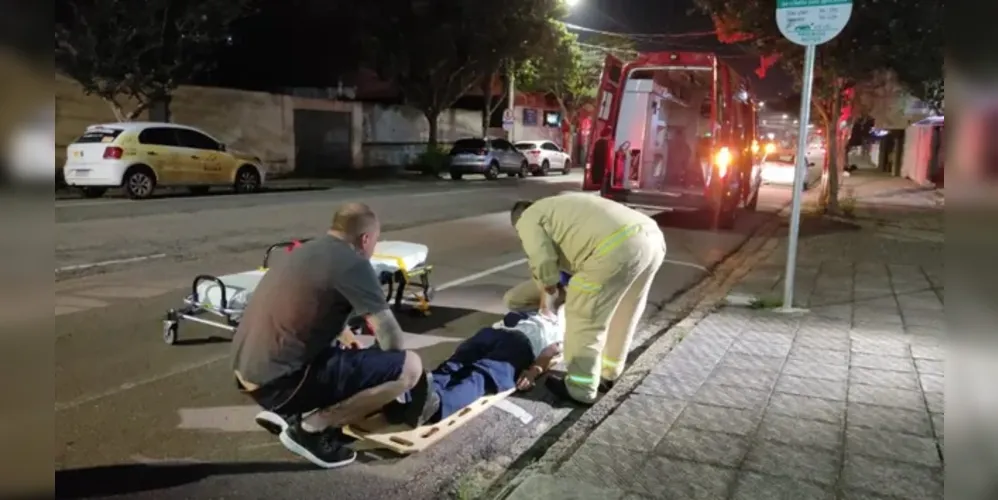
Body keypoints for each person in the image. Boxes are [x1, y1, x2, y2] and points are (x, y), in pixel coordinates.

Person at [230, 202, 434, 469]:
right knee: (409, 367)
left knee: (348, 348)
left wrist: (350, 343)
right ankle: (310, 429)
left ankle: (289, 411)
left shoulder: (304, 251)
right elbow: (392, 341)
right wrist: (376, 374)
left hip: (248, 373)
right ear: (365, 239)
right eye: (376, 240)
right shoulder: (354, 264)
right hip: (281, 385)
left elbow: (315, 313)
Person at [505, 193, 667, 405]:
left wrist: (550, 285)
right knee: (625, 312)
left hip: (614, 248)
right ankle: (609, 373)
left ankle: (581, 388)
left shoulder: (527, 218)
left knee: (585, 319)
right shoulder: (556, 206)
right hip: (651, 237)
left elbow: (542, 258)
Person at [390, 310, 564, 424]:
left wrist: (534, 372)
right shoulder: (554, 319)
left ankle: (421, 402)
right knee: (474, 374)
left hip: (500, 337)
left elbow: (552, 351)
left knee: (462, 369)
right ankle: (420, 402)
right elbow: (551, 350)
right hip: (505, 338)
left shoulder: (561, 326)